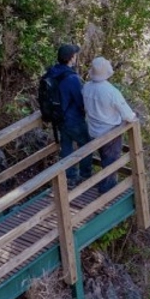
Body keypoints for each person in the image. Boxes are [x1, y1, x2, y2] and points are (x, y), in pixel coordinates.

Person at [82, 57, 138, 194]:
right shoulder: (111, 92)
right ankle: (107, 192)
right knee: (111, 163)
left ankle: (104, 187)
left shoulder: (86, 88)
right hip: (110, 132)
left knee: (104, 160)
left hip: (94, 131)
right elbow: (127, 115)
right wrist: (134, 117)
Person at [44, 43, 92, 184]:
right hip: (73, 118)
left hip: (58, 117)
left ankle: (70, 177)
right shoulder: (72, 78)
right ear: (71, 58)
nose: (76, 58)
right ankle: (85, 176)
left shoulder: (52, 72)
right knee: (86, 144)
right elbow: (80, 100)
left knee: (66, 146)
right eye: (75, 55)